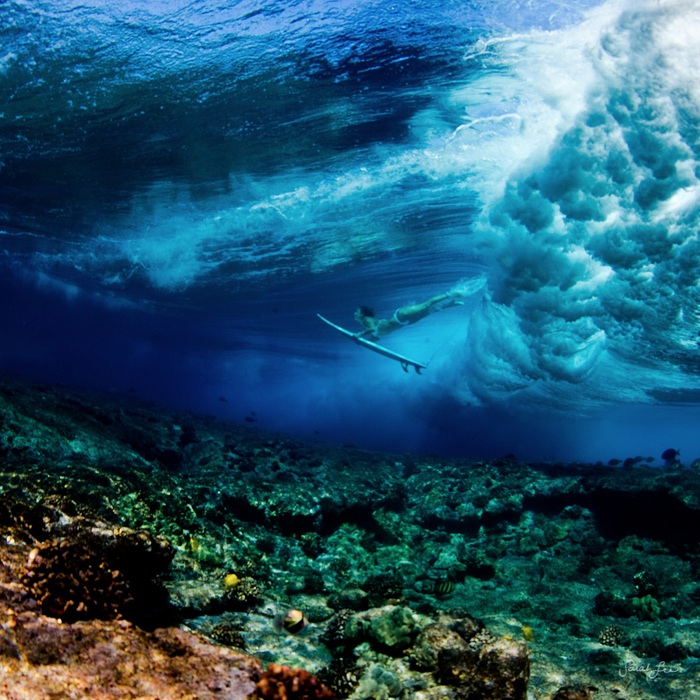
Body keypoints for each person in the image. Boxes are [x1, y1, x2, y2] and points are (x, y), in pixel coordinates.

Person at [353, 290, 465, 339]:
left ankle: (449, 294)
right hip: (406, 323)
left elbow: (372, 329)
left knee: (426, 305)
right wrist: (363, 342)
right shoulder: (367, 325)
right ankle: (450, 304)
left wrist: (359, 334)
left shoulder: (367, 320)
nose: (355, 313)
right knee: (430, 311)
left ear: (363, 314)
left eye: (357, 312)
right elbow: (375, 338)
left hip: (400, 316)